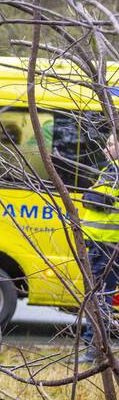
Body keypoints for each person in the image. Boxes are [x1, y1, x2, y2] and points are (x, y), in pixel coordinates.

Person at [78, 132, 119, 363]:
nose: (105, 149)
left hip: (106, 247)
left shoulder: (114, 171)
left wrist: (89, 195)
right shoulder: (110, 170)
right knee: (101, 297)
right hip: (104, 245)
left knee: (99, 299)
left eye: (111, 144)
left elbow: (96, 199)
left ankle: (94, 349)